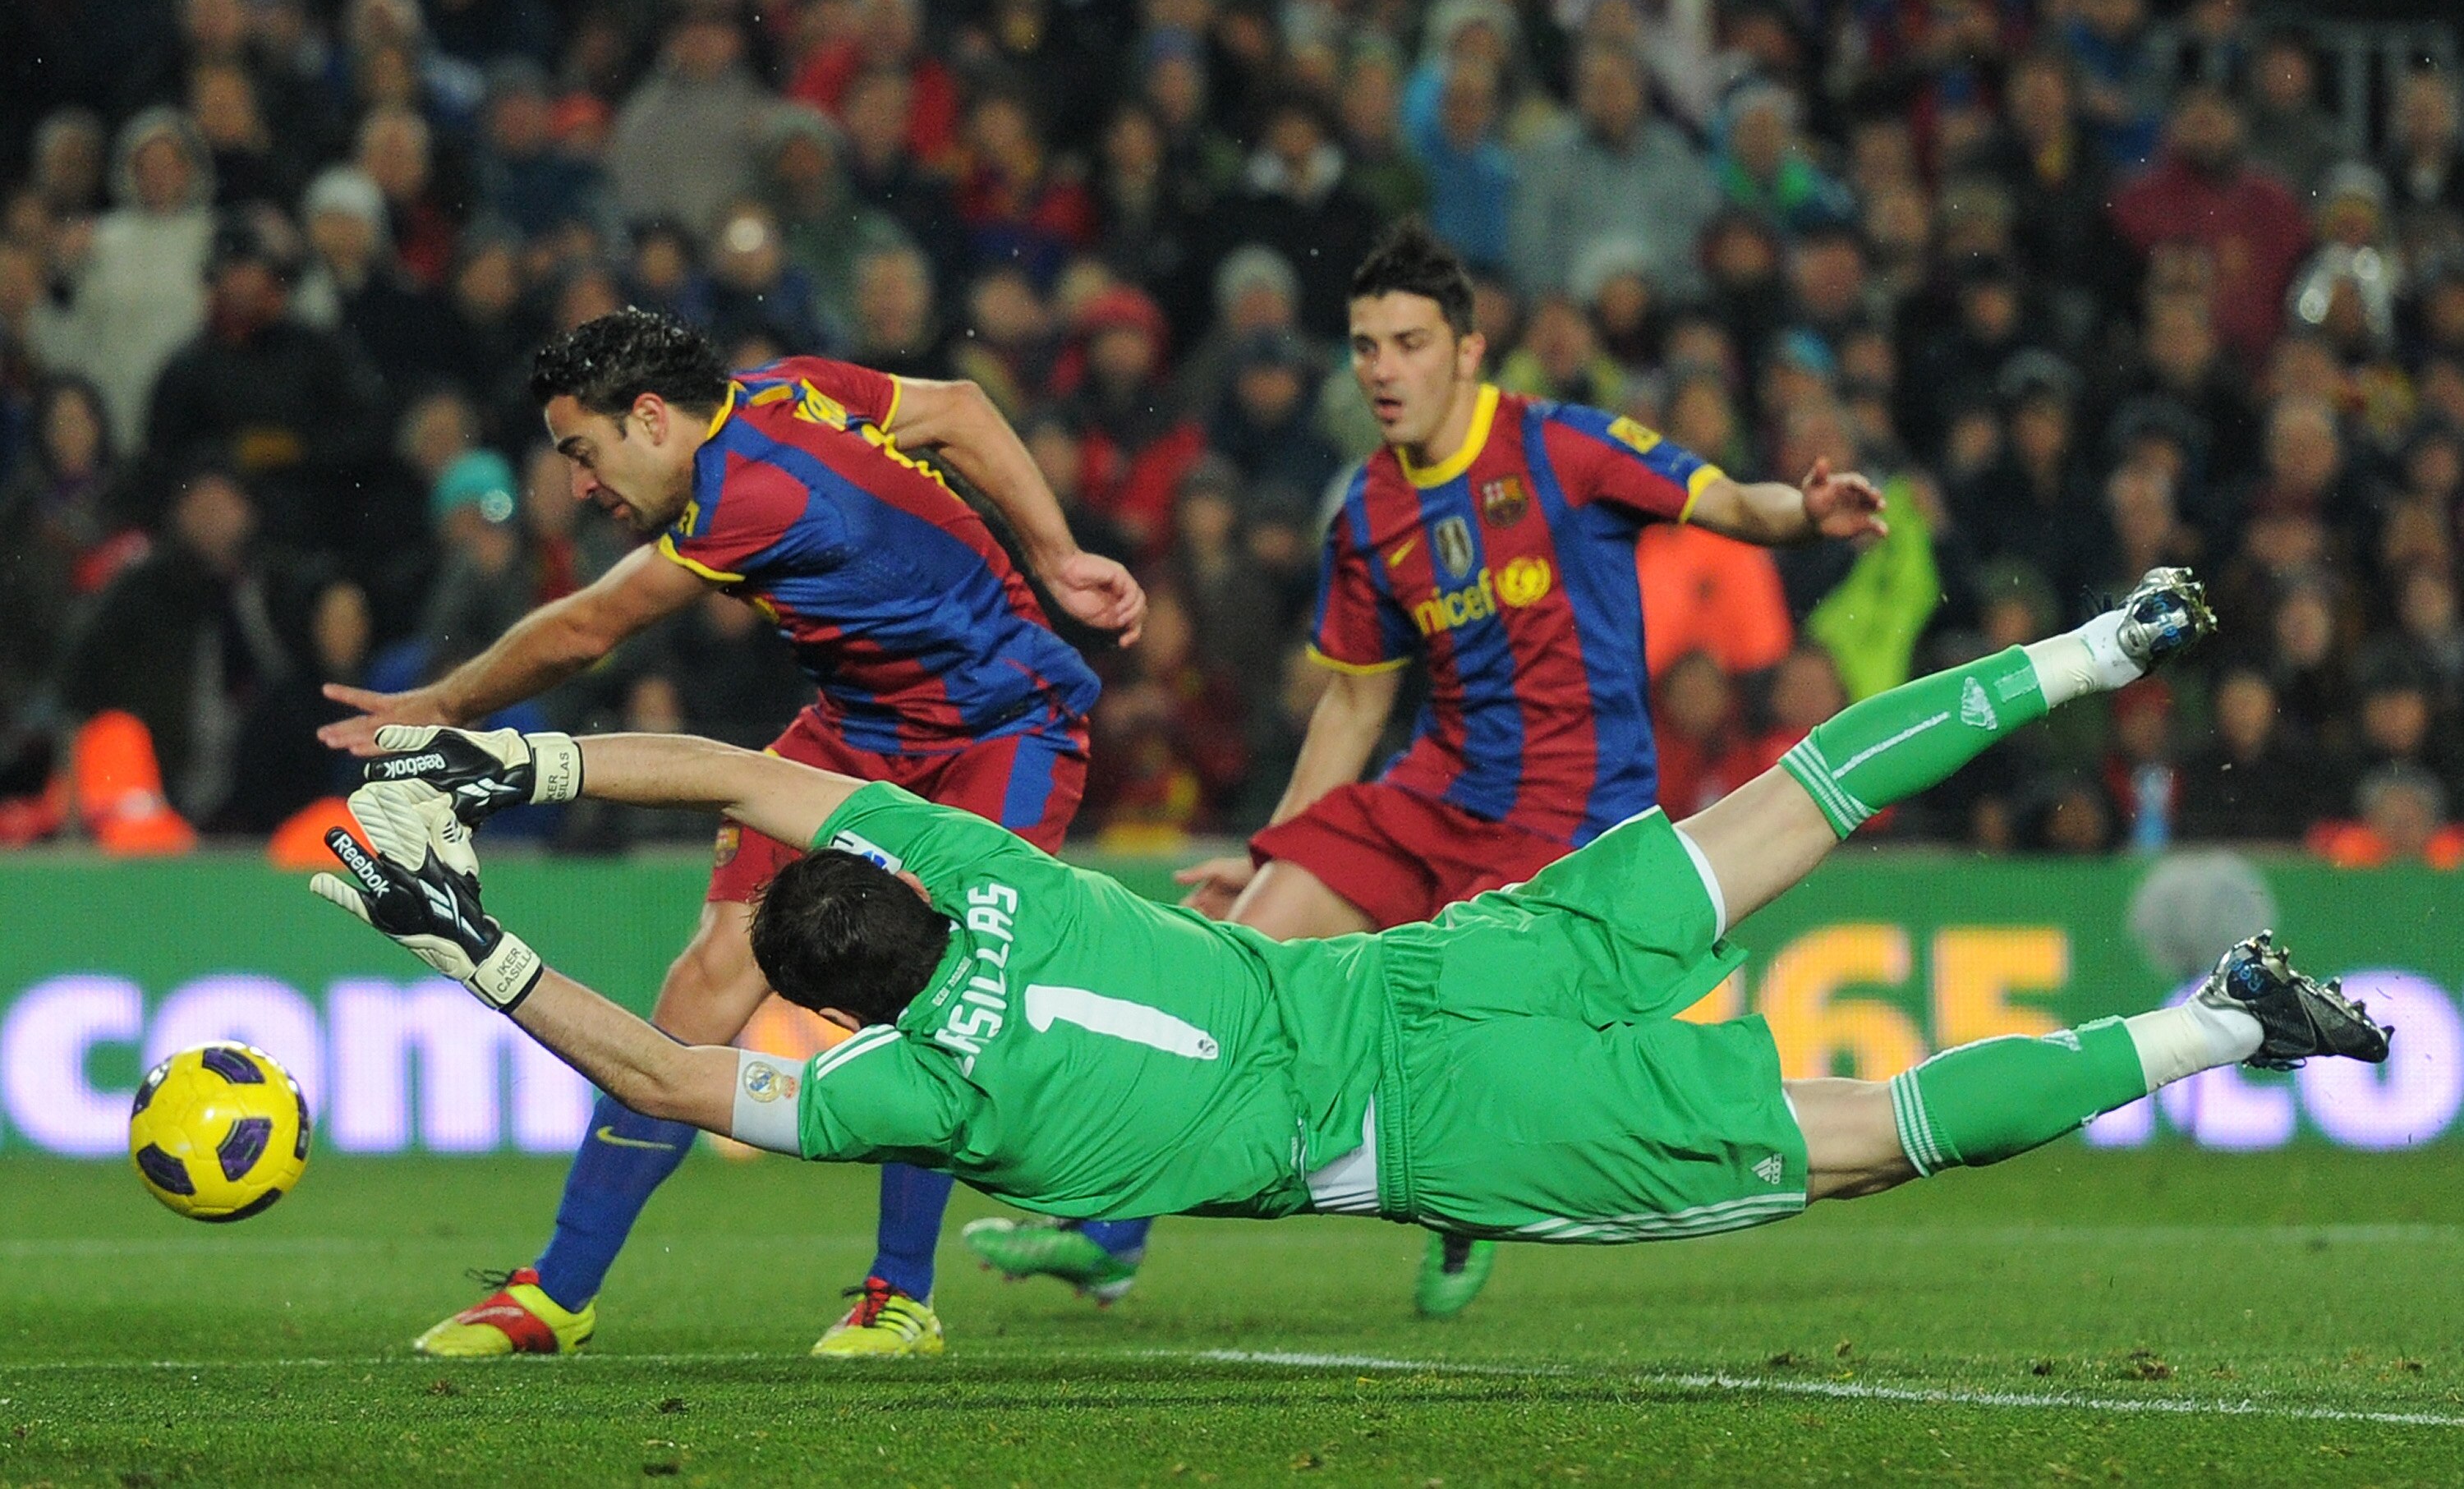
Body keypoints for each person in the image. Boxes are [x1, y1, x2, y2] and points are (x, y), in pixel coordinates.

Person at [313, 566, 2386, 1323]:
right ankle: (2104, 639)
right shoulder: (983, 862)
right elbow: (733, 771)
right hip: (1454, 960)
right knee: (1791, 800)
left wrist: (463, 945)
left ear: (827, 995)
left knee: (1878, 1124)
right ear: (922, 887)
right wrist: (504, 760)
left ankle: (2211, 1022)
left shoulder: (906, 1078)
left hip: (1438, 1109)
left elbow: (673, 1077)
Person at [987, 221, 1886, 1317]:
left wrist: (1810, 513)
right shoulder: (1369, 507)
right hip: (1436, 790)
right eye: (1366, 347)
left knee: (1486, 1055)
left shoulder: (1566, 446)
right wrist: (1278, 848)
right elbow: (1358, 697)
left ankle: (1471, 1208)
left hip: (1572, 813)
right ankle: (1111, 1227)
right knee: (1241, 956)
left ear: (1468, 350)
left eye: (1408, 342)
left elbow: (1735, 502)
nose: (1383, 369)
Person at [315, 309, 1145, 1361]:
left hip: (1004, 727)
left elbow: (587, 628)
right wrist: (1060, 553)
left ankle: (901, 1293)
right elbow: (959, 410)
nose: (579, 484)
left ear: (652, 418)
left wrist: (443, 702)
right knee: (709, 977)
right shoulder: (782, 389)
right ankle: (556, 1291)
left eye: (584, 451)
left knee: (942, 994)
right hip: (858, 727)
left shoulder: (751, 495)